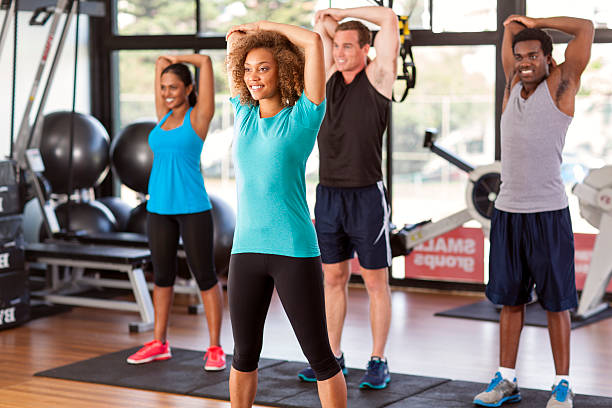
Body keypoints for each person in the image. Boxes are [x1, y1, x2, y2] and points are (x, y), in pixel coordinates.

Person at [473, 15, 593, 408]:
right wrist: (517, 26)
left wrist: (537, 21)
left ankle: (562, 384)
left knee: (558, 303)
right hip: (508, 213)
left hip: (548, 214)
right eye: (520, 56)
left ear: (548, 58)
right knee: (510, 300)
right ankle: (506, 379)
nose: (524, 62)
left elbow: (586, 28)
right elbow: (509, 29)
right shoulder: (511, 84)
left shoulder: (561, 87)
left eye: (533, 55)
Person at [225, 20, 347, 408]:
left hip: (292, 250)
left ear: (284, 68)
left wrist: (262, 27)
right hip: (245, 250)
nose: (253, 76)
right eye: (248, 69)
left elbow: (311, 41)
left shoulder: (303, 118)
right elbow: (233, 43)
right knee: (243, 355)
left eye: (264, 67)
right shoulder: (244, 115)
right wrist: (245, 44)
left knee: (321, 358)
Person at [297, 6, 399, 390]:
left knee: (375, 281)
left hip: (367, 195)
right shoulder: (326, 80)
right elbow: (318, 34)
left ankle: (378, 359)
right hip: (328, 195)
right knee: (333, 277)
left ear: (366, 49)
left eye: (347, 47)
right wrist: (327, 29)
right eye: (336, 46)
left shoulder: (378, 78)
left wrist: (340, 12)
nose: (339, 53)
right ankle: (332, 356)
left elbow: (388, 18)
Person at [126, 54, 226, 372]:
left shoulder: (199, 118)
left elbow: (207, 62)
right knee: (163, 276)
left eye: (174, 87)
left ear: (189, 88)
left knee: (205, 277)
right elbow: (158, 64)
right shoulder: (162, 116)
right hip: (159, 209)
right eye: (163, 87)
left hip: (194, 208)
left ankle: (215, 347)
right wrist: (163, 64)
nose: (167, 93)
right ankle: (159, 342)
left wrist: (184, 58)